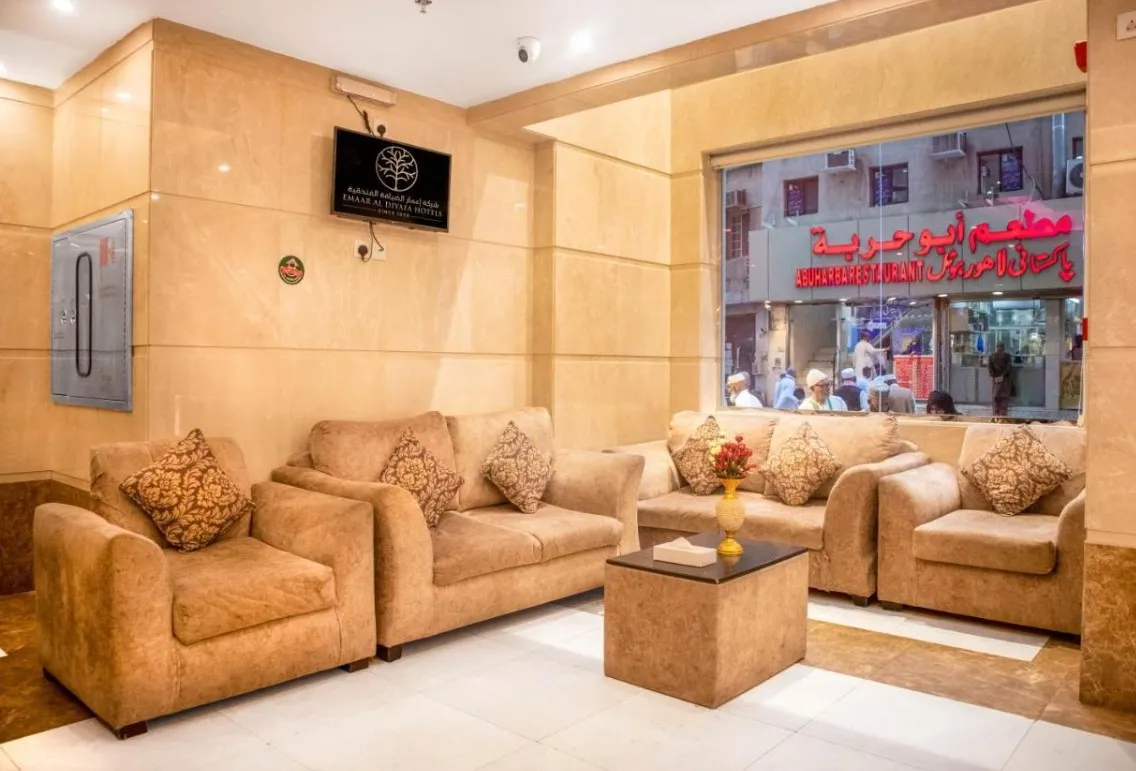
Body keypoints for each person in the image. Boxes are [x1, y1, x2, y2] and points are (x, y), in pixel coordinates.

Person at [988, 342, 1014, 416]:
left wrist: (995, 376)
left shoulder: (991, 356)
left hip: (995, 381)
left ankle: (995, 415)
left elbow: (989, 368)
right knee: (1004, 398)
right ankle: (1003, 416)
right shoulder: (1007, 356)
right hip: (1005, 380)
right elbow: (1009, 368)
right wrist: (1002, 376)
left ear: (996, 347)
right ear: (1003, 348)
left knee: (995, 397)